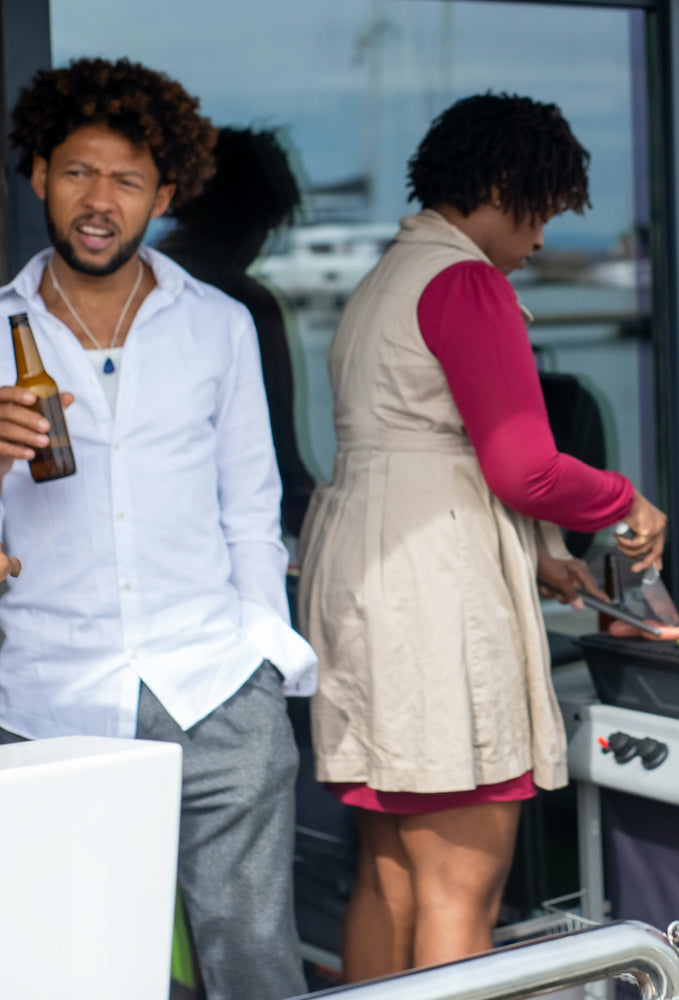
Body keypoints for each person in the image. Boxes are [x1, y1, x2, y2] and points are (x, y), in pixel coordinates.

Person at [297, 92, 669, 981]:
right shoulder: (465, 281)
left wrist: (535, 556)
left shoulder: (387, 275)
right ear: (503, 186)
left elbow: (417, 455)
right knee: (461, 891)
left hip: (368, 581)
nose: (540, 239)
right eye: (539, 210)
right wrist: (625, 501)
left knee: (387, 882)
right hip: (432, 606)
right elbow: (523, 468)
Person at [0, 58, 315, 1000]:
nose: (100, 201)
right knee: (71, 973)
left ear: (164, 194)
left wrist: (266, 656)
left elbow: (251, 509)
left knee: (255, 968)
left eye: (127, 180)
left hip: (216, 688)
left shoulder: (218, 325)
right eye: (78, 174)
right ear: (38, 178)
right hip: (50, 703)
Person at [159, 126, 315, 537]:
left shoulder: (126, 288)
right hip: (220, 537)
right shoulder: (247, 305)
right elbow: (279, 456)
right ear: (255, 220)